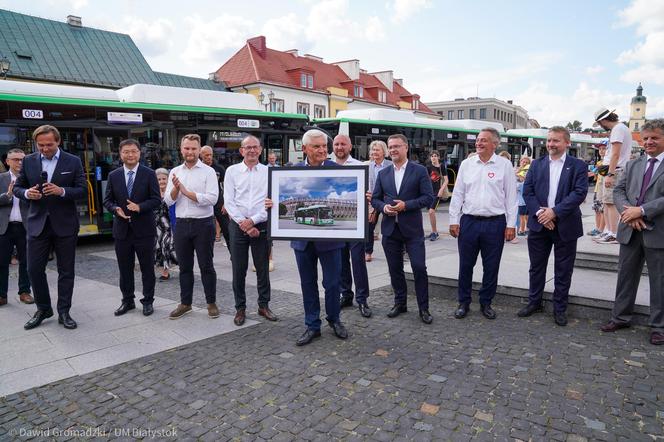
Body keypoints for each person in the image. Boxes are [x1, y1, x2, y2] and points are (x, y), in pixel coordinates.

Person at [271, 129, 348, 346]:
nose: (323, 150)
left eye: (324, 146)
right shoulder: (291, 171)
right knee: (308, 283)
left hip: (331, 241)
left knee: (333, 284)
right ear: (304, 149)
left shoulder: (338, 170)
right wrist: (272, 204)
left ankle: (334, 319)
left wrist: (363, 196)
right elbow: (280, 201)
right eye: (317, 146)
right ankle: (312, 325)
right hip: (302, 242)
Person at [14, 125, 86, 330]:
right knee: (33, 269)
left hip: (65, 224)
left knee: (66, 270)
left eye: (49, 145)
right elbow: (18, 188)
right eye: (40, 145)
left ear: (58, 142)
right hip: (37, 224)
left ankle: (64, 311)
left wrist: (61, 190)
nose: (44, 149)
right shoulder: (28, 161)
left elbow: (81, 190)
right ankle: (44, 308)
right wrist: (28, 194)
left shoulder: (73, 161)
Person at [600, 119, 664, 345]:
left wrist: (642, 211)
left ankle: (659, 327)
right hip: (630, 230)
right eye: (645, 138)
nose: (648, 142)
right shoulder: (633, 165)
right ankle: (620, 317)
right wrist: (629, 214)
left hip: (657, 233)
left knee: (659, 281)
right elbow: (618, 191)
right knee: (625, 277)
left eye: (654, 137)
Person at [518, 127, 588, 326]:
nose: (551, 144)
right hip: (540, 225)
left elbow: (579, 193)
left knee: (563, 269)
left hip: (566, 225)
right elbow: (528, 192)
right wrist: (541, 214)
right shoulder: (536, 164)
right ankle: (534, 302)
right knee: (536, 267)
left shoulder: (578, 166)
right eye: (549, 140)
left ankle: (559, 308)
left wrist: (554, 212)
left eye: (556, 141)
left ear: (567, 143)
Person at [448, 128, 517, 320]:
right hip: (469, 221)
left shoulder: (504, 165)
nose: (478, 143)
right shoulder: (466, 164)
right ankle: (463, 302)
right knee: (465, 265)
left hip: (495, 223)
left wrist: (511, 224)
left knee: (491, 266)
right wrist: (454, 219)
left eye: (484, 140)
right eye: (478, 140)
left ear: (495, 144)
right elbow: (458, 194)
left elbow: (511, 197)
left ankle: (486, 302)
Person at [371, 134, 434, 324]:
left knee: (418, 267)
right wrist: (384, 207)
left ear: (406, 148)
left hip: (412, 229)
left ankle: (424, 308)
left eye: (397, 146)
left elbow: (428, 198)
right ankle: (400, 303)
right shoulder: (384, 173)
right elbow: (375, 198)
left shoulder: (419, 170)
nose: (393, 150)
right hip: (390, 229)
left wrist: (406, 205)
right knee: (394, 269)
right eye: (390, 147)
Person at [103, 139, 161, 317]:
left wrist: (140, 207)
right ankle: (127, 301)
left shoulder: (149, 174)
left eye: (134, 151)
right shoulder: (114, 175)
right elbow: (107, 200)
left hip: (144, 230)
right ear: (120, 154)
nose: (130, 155)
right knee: (124, 268)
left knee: (147, 268)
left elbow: (156, 200)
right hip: (122, 231)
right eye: (126, 152)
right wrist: (115, 209)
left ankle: (148, 301)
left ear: (139, 153)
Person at [164, 134, 220, 320]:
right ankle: (185, 303)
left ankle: (211, 303)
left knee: (206, 266)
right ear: (181, 149)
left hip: (203, 224)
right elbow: (168, 200)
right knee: (185, 267)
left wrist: (186, 192)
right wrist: (175, 189)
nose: (190, 152)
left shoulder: (208, 172)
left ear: (199, 150)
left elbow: (212, 199)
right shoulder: (175, 172)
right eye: (187, 148)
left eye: (193, 148)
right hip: (181, 224)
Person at [224, 135, 278, 326]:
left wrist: (253, 221)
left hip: (261, 224)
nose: (252, 150)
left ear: (261, 150)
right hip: (238, 226)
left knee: (262, 268)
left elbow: (272, 201)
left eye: (255, 147)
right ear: (241, 151)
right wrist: (244, 224)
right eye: (248, 147)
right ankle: (240, 308)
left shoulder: (269, 172)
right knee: (238, 269)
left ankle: (263, 305)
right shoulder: (231, 171)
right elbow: (229, 201)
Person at [333, 134, 372, 318]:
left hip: (356, 222)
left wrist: (371, 209)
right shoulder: (327, 166)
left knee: (358, 261)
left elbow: (371, 191)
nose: (339, 147)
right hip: (335, 224)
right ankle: (345, 294)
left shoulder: (361, 166)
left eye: (343, 144)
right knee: (341, 262)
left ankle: (362, 299)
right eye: (337, 144)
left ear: (350, 147)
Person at [593, 108, 633, 244]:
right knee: (606, 202)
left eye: (599, 123)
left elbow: (616, 154)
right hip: (612, 169)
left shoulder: (618, 129)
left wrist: (610, 174)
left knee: (611, 203)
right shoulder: (619, 128)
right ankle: (609, 231)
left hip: (614, 170)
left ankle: (614, 233)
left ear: (603, 120)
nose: (600, 126)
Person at [0, 148, 33, 307]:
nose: (19, 162)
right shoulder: (1, 178)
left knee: (26, 262)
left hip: (25, 227)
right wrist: (7, 195)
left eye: (22, 159)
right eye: (15, 159)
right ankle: (1, 295)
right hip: (4, 228)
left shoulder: (30, 179)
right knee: (1, 262)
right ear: (7, 161)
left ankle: (25, 292)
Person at [365, 140, 392, 262]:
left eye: (377, 149)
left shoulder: (390, 165)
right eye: (373, 149)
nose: (374, 152)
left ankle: (397, 251)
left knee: (391, 225)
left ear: (384, 152)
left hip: (387, 200)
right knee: (369, 226)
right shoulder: (369, 166)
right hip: (373, 200)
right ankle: (368, 252)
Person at [200, 145, 229, 247]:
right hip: (204, 201)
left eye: (210, 155)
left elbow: (226, 186)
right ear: (201, 155)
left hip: (219, 201)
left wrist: (226, 203)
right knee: (206, 232)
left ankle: (234, 256)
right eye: (206, 155)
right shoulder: (199, 169)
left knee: (227, 229)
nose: (209, 157)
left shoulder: (219, 168)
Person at [155, 168, 178, 280]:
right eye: (159, 179)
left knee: (168, 245)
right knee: (160, 246)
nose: (161, 181)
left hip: (170, 224)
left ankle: (169, 270)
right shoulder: (153, 192)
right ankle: (165, 270)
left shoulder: (171, 192)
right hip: (157, 225)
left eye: (164, 178)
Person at [425, 150, 449, 241]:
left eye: (435, 156)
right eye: (432, 156)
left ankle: (435, 233)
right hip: (429, 192)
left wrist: (441, 190)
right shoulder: (428, 167)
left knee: (431, 211)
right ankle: (433, 232)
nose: (433, 158)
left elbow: (446, 180)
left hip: (437, 192)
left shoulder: (441, 167)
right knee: (430, 213)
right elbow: (426, 180)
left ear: (438, 157)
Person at [588, 142, 608, 236]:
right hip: (597, 188)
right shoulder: (599, 162)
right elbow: (593, 174)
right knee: (597, 209)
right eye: (600, 149)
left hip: (604, 189)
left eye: (604, 148)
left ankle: (601, 229)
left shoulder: (608, 162)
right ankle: (597, 228)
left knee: (603, 210)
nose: (601, 151)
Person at [516, 156, 532, 236]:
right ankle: (522, 230)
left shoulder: (530, 172)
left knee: (526, 216)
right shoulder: (517, 171)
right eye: (523, 162)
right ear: (520, 162)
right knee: (522, 216)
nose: (524, 163)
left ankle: (525, 230)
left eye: (526, 162)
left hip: (527, 199)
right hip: (519, 199)